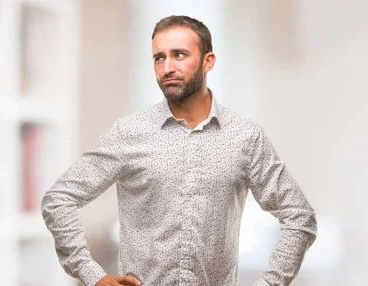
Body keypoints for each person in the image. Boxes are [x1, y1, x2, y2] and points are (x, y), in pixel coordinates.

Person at [41, 15, 317, 286]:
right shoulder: (129, 133)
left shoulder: (245, 137)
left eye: (179, 55)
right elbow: (58, 199)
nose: (167, 67)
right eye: (159, 57)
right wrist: (92, 274)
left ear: (208, 61)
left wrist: (270, 283)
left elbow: (300, 216)